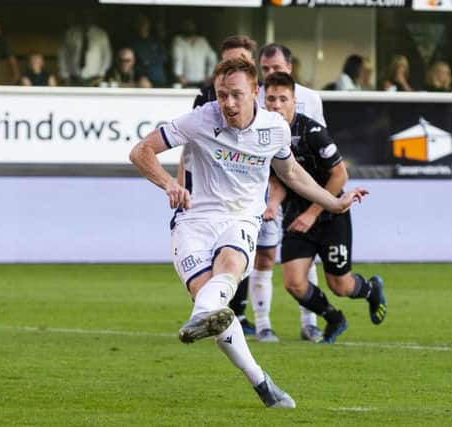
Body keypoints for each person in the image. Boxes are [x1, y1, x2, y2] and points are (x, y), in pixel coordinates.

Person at [129, 56, 368, 408]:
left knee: (226, 272)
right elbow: (140, 150)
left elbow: (292, 174)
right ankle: (260, 381)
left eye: (236, 95)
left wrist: (333, 204)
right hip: (192, 220)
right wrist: (168, 184)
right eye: (222, 95)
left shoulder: (275, 129)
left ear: (255, 92)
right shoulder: (200, 119)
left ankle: (202, 317)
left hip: (240, 220)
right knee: (212, 302)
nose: (228, 103)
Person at [263, 71, 387, 344]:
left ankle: (370, 289)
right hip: (296, 217)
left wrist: (312, 212)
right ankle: (334, 319)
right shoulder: (265, 136)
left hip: (331, 216)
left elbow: (340, 175)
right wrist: (272, 204)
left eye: (283, 99)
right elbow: (281, 178)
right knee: (293, 283)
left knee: (340, 285)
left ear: (294, 101)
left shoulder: (312, 132)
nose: (276, 105)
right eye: (271, 98)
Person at [253, 43, 327, 342]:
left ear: (289, 67)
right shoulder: (253, 98)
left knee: (305, 257)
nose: (271, 73)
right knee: (265, 255)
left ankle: (309, 322)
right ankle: (262, 325)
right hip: (263, 185)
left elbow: (320, 146)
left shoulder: (310, 99)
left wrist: (316, 197)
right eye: (266, 69)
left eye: (276, 68)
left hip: (298, 186)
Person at [186, 35, 259, 335]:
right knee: (222, 254)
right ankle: (223, 312)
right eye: (227, 59)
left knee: (250, 253)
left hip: (250, 190)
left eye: (240, 57)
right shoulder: (207, 99)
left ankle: (241, 313)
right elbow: (188, 146)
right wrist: (181, 185)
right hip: (213, 190)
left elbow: (281, 157)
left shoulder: (264, 99)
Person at [57, 10, 112, 87]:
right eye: (84, 16)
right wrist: (64, 74)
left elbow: (107, 56)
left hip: (94, 78)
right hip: (73, 78)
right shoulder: (71, 33)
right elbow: (63, 54)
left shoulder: (101, 34)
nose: (87, 19)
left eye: (89, 16)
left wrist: (101, 73)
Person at [171, 19, 217, 88]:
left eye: (191, 25)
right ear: (182, 27)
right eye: (186, 25)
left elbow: (213, 58)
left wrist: (209, 75)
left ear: (195, 27)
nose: (189, 27)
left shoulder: (202, 41)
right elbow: (177, 59)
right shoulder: (178, 40)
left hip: (201, 82)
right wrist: (179, 76)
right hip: (184, 82)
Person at [130, 14, 169, 88]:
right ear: (136, 26)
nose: (142, 26)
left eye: (145, 23)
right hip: (142, 80)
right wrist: (141, 76)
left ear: (149, 25)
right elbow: (132, 63)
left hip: (159, 78)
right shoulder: (133, 43)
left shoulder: (156, 41)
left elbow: (165, 58)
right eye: (140, 23)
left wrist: (149, 60)